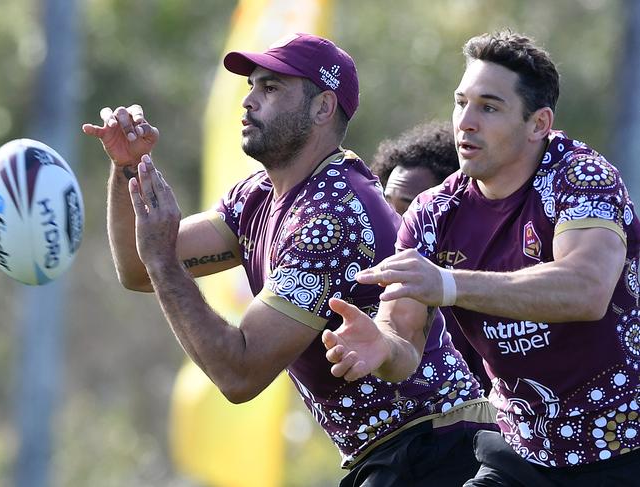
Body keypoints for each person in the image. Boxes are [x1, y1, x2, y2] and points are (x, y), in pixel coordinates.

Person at [82, 33, 495, 487]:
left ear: (322, 108)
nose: (250, 101)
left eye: (272, 88)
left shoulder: (331, 218)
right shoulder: (258, 195)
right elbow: (138, 269)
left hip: (437, 448)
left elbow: (239, 373)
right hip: (399, 451)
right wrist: (128, 170)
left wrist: (162, 259)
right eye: (251, 86)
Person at [323, 30, 640, 486]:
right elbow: (404, 344)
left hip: (624, 449)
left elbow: (586, 289)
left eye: (489, 107)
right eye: (460, 102)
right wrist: (382, 347)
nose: (465, 122)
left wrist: (450, 285)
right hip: (519, 455)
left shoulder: (580, 176)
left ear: (538, 124)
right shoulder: (433, 212)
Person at [370, 122, 491, 395]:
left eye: (408, 208)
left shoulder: (475, 281)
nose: (393, 221)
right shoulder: (375, 275)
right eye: (384, 204)